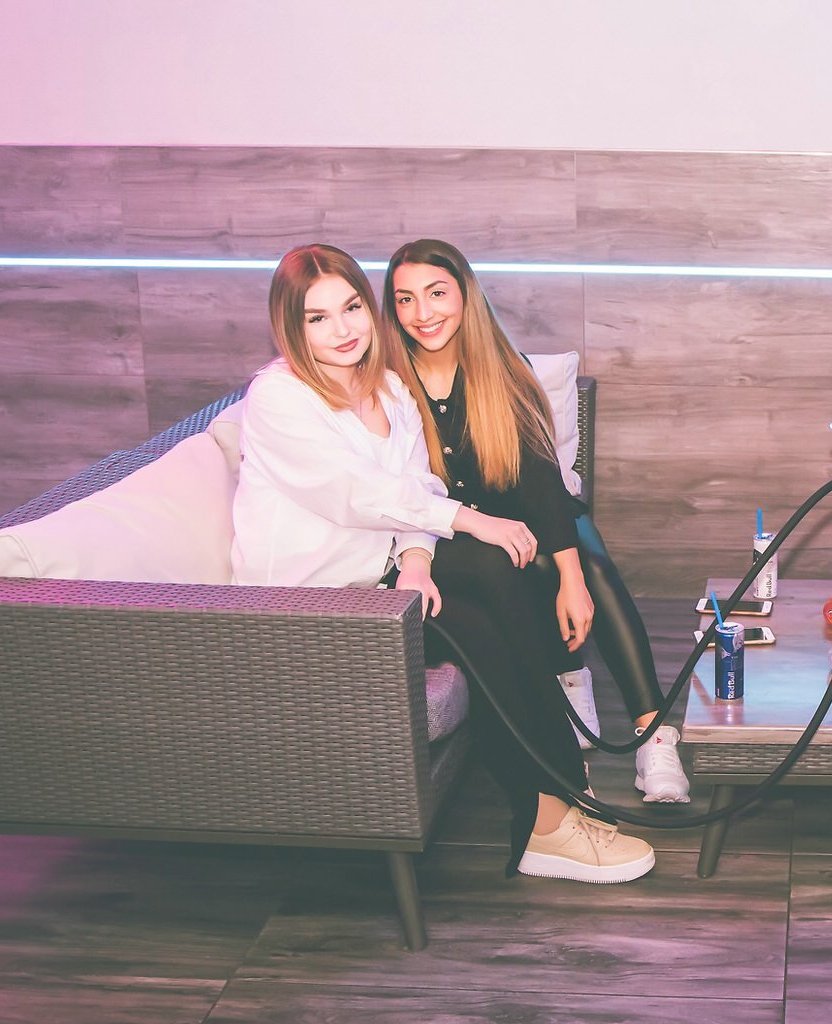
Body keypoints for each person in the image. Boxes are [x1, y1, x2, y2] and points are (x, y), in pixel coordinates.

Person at [232, 243, 655, 883]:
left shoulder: (387, 388)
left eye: (351, 308)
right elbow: (359, 494)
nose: (342, 329)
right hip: (312, 607)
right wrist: (469, 521)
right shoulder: (278, 396)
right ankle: (557, 805)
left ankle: (553, 811)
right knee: (485, 581)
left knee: (496, 578)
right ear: (292, 327)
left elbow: (418, 489)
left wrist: (417, 562)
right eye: (318, 318)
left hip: (383, 584)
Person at [381, 238, 690, 804]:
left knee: (587, 560)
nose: (423, 313)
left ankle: (653, 735)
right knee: (520, 560)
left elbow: (540, 480)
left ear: (465, 294)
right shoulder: (388, 385)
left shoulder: (502, 367)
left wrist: (573, 577)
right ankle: (569, 683)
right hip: (446, 537)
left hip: (522, 513)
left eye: (436, 293)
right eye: (406, 299)